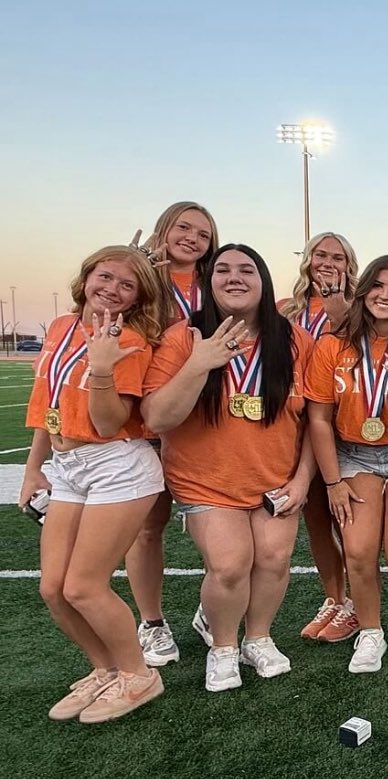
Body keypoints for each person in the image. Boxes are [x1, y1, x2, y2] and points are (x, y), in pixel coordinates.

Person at [142, 244, 316, 692]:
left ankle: (257, 638)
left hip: (275, 477)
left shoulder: (294, 339)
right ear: (208, 280)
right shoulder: (185, 337)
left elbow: (314, 420)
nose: (234, 278)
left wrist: (301, 480)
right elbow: (158, 418)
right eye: (223, 269)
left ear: (264, 281)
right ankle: (222, 646)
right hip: (207, 480)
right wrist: (198, 366)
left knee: (275, 560)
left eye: (246, 270)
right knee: (231, 565)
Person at [22, 245, 168, 722]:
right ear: (86, 276)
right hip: (68, 466)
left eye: (127, 285)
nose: (112, 290)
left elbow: (108, 424)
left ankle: (139, 673)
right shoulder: (63, 329)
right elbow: (49, 405)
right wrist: (33, 467)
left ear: (136, 298)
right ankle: (105, 669)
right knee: (52, 589)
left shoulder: (129, 340)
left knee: (84, 586)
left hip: (117, 464)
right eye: (106, 277)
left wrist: (103, 366)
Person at [305, 255, 388, 672]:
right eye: (378, 286)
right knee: (360, 552)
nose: (386, 295)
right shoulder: (332, 345)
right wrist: (331, 483)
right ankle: (370, 631)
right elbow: (319, 418)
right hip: (353, 456)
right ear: (363, 291)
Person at [127, 201, 219, 669]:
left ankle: (210, 607)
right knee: (149, 527)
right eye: (183, 227)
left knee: (218, 526)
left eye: (202, 233)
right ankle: (153, 622)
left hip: (202, 420)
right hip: (144, 416)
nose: (191, 238)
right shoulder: (140, 281)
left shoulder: (217, 283)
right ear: (164, 228)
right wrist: (132, 270)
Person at [280, 232, 360, 643]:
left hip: (339, 428)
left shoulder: (359, 309)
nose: (328, 263)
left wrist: (339, 313)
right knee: (314, 521)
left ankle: (359, 605)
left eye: (338, 257)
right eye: (321, 255)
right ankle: (334, 598)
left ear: (350, 265)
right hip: (294, 429)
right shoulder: (284, 310)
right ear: (307, 258)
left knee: (346, 521)